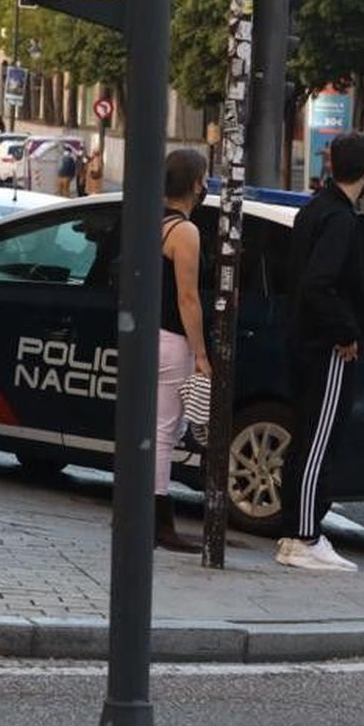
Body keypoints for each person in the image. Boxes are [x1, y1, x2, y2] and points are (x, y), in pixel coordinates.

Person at [278, 131, 364, 572]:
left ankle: (296, 532)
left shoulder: (314, 211)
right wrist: (348, 331)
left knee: (306, 437)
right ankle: (304, 535)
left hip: (306, 339)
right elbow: (320, 283)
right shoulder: (340, 220)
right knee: (319, 440)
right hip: (329, 346)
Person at [154, 149, 211, 554]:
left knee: (151, 430)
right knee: (164, 433)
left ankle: (147, 514)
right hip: (173, 340)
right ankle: (159, 520)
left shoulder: (150, 221)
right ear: (195, 184)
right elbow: (188, 298)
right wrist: (202, 354)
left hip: (146, 337)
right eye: (205, 178)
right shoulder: (185, 232)